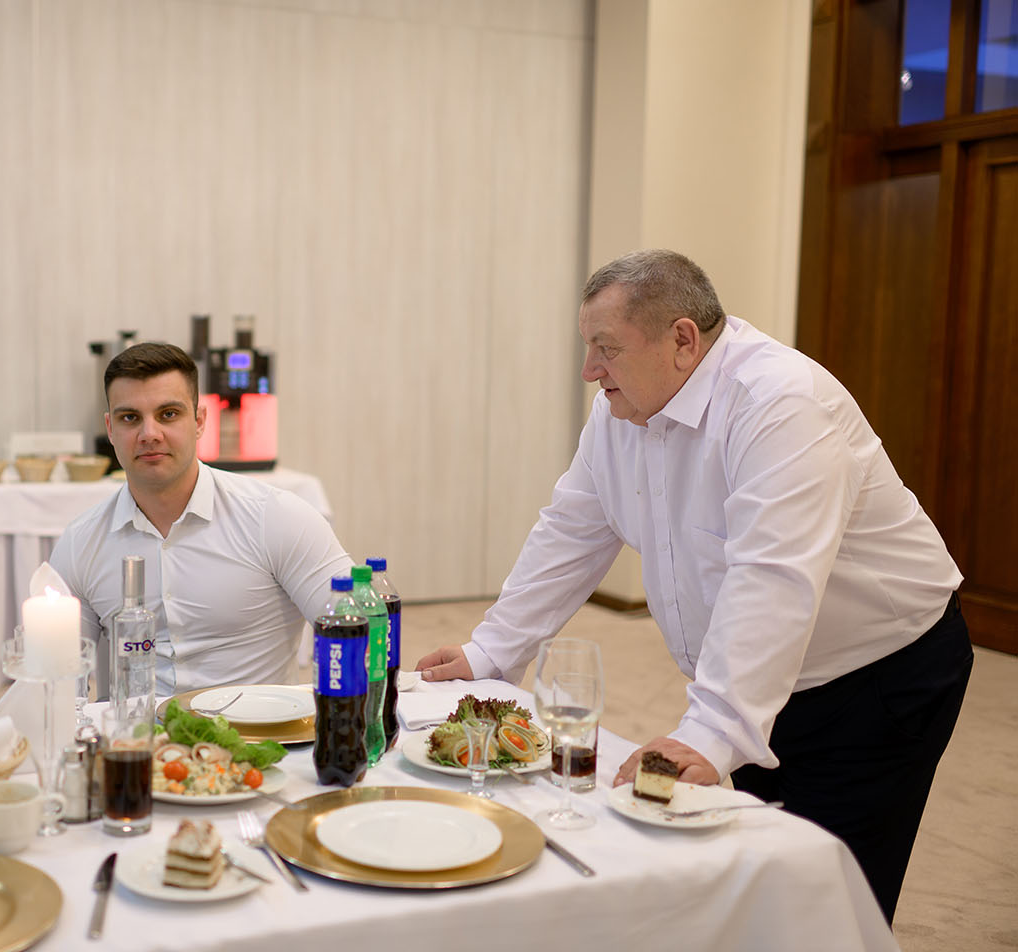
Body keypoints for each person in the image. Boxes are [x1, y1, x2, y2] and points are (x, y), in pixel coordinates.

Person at [416, 249, 971, 922]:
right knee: (751, 872)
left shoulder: (781, 403)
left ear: (682, 340)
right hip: (761, 678)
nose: (589, 370)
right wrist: (492, 651)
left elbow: (771, 578)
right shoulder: (620, 411)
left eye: (606, 349)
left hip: (877, 676)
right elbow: (570, 530)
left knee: (824, 895)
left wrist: (712, 732)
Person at [50, 342, 352, 696]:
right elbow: (58, 681)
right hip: (136, 730)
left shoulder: (276, 517)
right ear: (110, 429)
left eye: (168, 414)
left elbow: (359, 629)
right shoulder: (81, 542)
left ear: (199, 421)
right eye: (130, 418)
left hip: (253, 729)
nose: (149, 434)